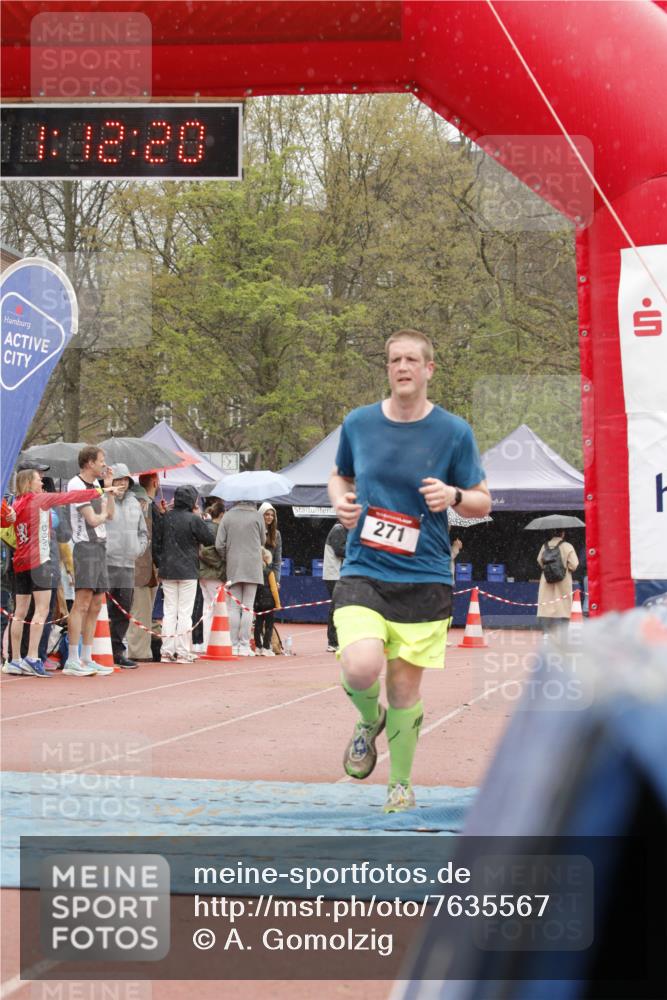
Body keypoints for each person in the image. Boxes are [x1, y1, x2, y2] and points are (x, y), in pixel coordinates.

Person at [328, 329, 491, 813]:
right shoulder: (358, 424)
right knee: (361, 666)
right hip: (364, 569)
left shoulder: (454, 431)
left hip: (424, 576)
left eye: (411, 360)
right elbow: (341, 474)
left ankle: (399, 783)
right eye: (394, 360)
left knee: (403, 686)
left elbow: (483, 501)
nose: (402, 367)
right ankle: (366, 718)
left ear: (428, 369)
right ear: (388, 368)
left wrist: (455, 496)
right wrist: (341, 501)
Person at [8, 468, 105, 677]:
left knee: (20, 612)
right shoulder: (38, 500)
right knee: (41, 611)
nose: (42, 483)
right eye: (38, 480)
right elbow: (69, 496)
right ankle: (32, 657)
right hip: (40, 561)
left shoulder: (16, 503)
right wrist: (98, 492)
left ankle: (14, 659)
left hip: (21, 561)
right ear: (29, 483)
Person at [66, 445, 119, 677]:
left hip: (100, 546)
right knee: (82, 602)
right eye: (100, 460)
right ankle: (72, 658)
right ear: (89, 462)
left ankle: (87, 656)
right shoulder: (76, 484)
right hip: (85, 547)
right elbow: (93, 519)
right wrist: (104, 511)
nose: (103, 465)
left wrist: (108, 490)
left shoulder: (97, 485)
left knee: (97, 603)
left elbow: (111, 515)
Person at [153, 485, 215, 663]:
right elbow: (209, 539)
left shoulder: (165, 518)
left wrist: (160, 563)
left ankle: (166, 651)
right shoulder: (193, 519)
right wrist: (200, 518)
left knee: (169, 611)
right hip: (188, 570)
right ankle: (182, 650)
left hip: (168, 570)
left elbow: (156, 544)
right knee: (185, 612)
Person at [105, 464, 148, 669]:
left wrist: (137, 550)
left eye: (125, 480)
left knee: (123, 611)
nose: (122, 483)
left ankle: (116, 651)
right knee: (103, 609)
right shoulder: (103, 499)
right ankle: (100, 649)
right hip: (106, 562)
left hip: (127, 564)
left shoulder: (134, 504)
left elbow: (143, 532)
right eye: (118, 479)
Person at [215, 500, 266, 656]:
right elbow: (263, 541)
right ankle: (244, 644)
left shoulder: (228, 516)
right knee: (248, 606)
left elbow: (219, 544)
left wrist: (227, 556)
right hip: (253, 566)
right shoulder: (257, 516)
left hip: (234, 565)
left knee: (234, 607)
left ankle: (233, 643)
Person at [126, 484, 159, 661]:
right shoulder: (139, 522)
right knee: (140, 613)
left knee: (137, 612)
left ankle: (138, 650)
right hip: (139, 573)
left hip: (135, 572)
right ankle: (139, 651)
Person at [253, 502, 282, 656]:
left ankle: (267, 645)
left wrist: (276, 580)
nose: (269, 517)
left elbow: (277, 560)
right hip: (256, 577)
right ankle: (258, 645)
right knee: (258, 615)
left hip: (269, 578)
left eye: (272, 514)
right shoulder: (255, 532)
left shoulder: (276, 534)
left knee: (269, 615)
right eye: (266, 514)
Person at [536, 530, 579, 634]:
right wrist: (565, 569)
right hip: (563, 580)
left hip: (547, 580)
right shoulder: (567, 546)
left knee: (547, 605)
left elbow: (539, 560)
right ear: (563, 534)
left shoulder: (544, 546)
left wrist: (548, 569)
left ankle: (546, 633)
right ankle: (563, 633)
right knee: (563, 607)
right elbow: (574, 564)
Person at [198, 499, 226, 652]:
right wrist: (220, 564)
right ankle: (214, 643)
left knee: (207, 609)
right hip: (214, 574)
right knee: (217, 609)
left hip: (202, 573)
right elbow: (208, 552)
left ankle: (206, 643)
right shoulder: (218, 530)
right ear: (221, 514)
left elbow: (201, 551)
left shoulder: (203, 526)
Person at [322, 520, 348, 652]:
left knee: (339, 608)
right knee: (336, 609)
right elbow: (340, 551)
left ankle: (336, 640)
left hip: (336, 575)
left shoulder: (341, 530)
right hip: (333, 575)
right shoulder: (338, 530)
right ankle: (333, 642)